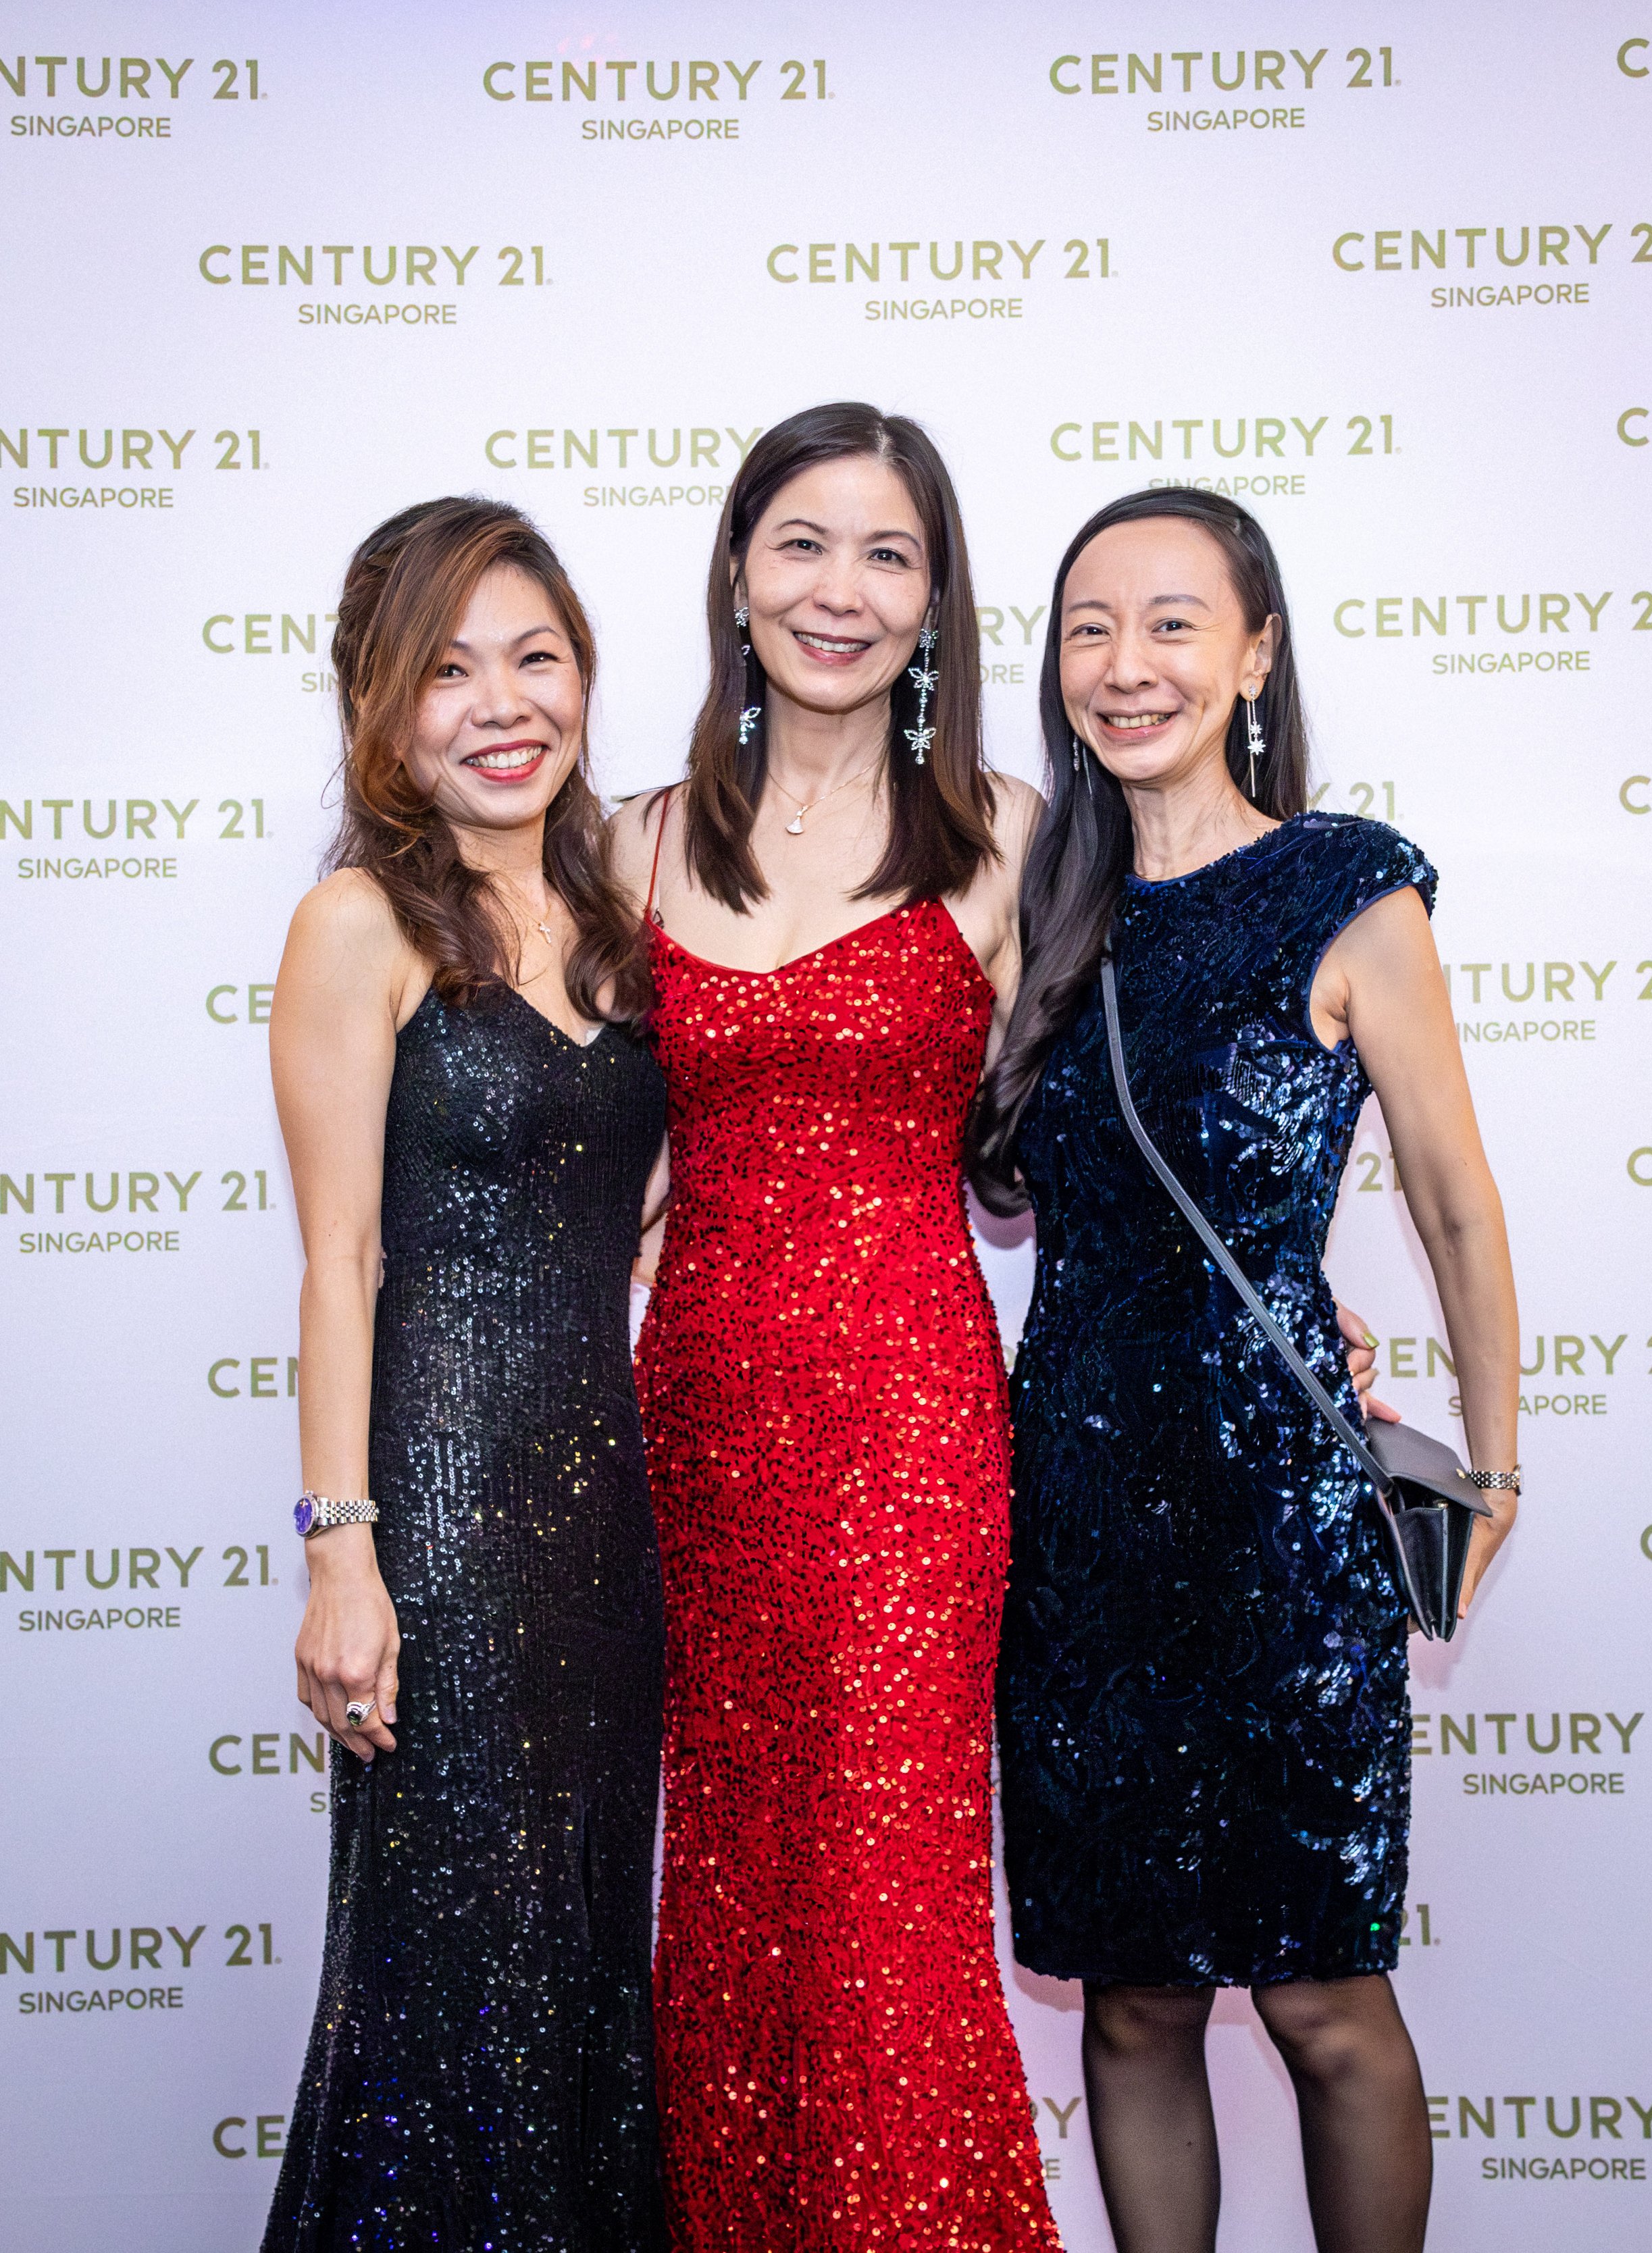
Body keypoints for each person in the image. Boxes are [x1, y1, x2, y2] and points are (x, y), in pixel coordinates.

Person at [972, 489, 1520, 2253]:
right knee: (1132, 2000)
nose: (1125, 666)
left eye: (1172, 623)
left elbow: (1452, 1201)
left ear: (1256, 653)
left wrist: (1492, 1467)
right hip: (1074, 1525)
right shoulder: (1032, 912)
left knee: (1321, 2000)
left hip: (1280, 1528)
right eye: (1089, 629)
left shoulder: (1344, 886)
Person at [609, 402, 1060, 2249]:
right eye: (802, 543)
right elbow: (583, 1162)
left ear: (936, 599)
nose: (840, 591)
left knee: (887, 1896)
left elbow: (1098, 1139)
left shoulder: (1010, 837)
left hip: (910, 1433)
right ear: (736, 572)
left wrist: (1287, 1287)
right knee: (728, 1885)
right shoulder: (629, 845)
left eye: (888, 554)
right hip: (698, 1431)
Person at [263, 498, 668, 2252]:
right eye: (448, 670)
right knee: (445, 1992)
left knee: (581, 1968)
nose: (503, 704)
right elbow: (337, 1261)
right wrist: (340, 1554)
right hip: (435, 1531)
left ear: (584, 674)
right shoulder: (360, 922)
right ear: (382, 703)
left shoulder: (623, 910)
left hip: (609, 1539)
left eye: (536, 657)